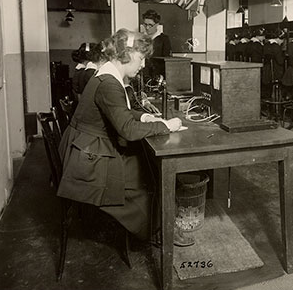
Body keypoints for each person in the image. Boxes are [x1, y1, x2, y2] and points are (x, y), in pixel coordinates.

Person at [57, 29, 194, 247]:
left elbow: (119, 111)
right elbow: (128, 130)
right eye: (141, 58)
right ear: (127, 55)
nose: (142, 65)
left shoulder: (106, 74)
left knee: (147, 166)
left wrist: (146, 116)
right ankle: (155, 231)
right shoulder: (110, 83)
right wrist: (165, 125)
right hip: (87, 161)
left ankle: (158, 225)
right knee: (146, 178)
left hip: (86, 149)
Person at [141, 9, 172, 81]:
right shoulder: (141, 38)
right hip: (142, 75)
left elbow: (167, 61)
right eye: (145, 24)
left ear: (157, 25)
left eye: (150, 25)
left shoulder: (164, 39)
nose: (147, 28)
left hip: (157, 76)